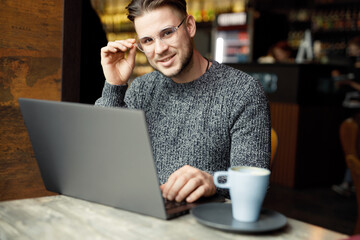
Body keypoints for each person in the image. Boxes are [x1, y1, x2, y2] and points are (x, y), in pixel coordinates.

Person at [95, 0, 270, 203]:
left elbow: (255, 185)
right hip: (143, 213)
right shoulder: (142, 89)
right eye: (148, 41)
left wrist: (213, 182)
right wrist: (114, 86)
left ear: (189, 26)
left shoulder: (243, 91)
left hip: (203, 225)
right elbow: (104, 157)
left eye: (167, 33)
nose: (159, 49)